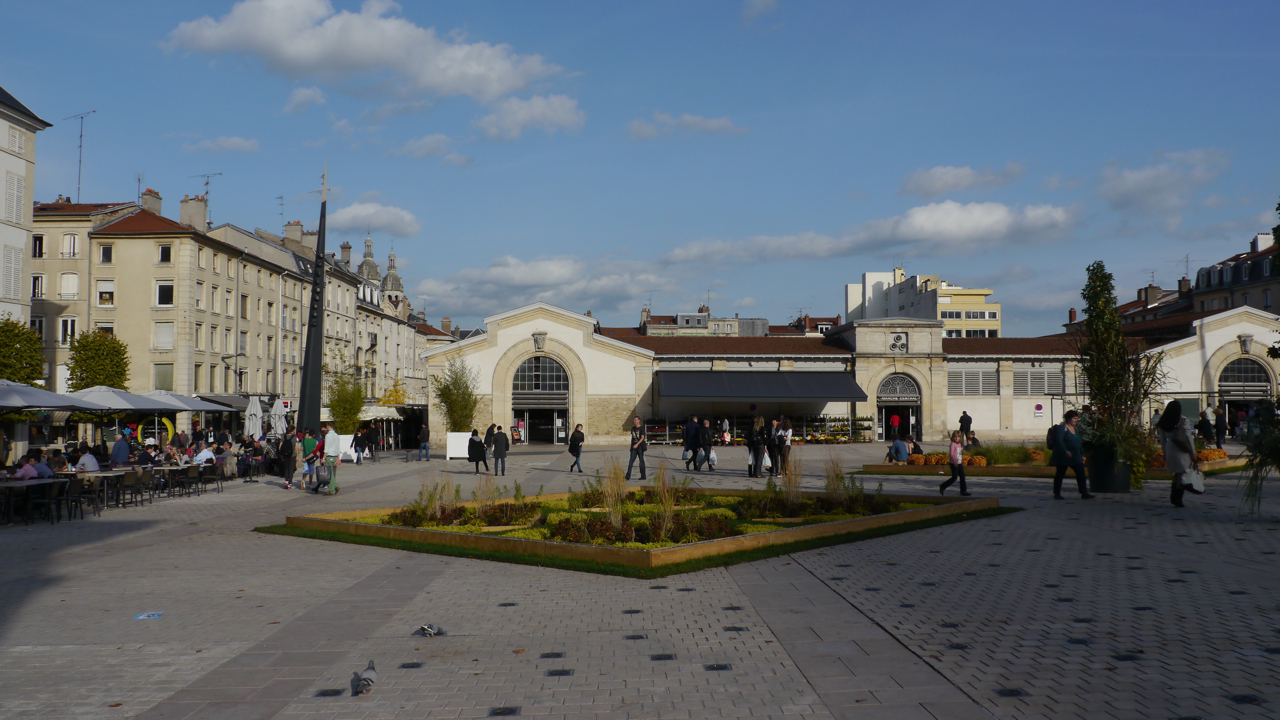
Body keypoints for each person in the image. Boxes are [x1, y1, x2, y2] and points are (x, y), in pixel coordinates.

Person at [1157, 400, 1199, 508]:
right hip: (1181, 449)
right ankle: (1177, 498)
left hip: (1170, 447)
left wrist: (1165, 452)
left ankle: (1174, 495)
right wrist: (1193, 452)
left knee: (1177, 473)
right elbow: (1188, 436)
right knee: (1182, 474)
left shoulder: (1163, 420)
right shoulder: (1183, 420)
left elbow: (1162, 439)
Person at [1051, 410, 1094, 500]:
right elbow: (1059, 441)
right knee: (1060, 474)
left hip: (1075, 456)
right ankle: (1057, 493)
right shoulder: (1062, 428)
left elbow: (1078, 442)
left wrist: (1082, 454)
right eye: (1074, 418)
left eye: (1077, 419)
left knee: (1081, 474)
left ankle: (1084, 493)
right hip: (1063, 457)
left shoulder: (1076, 429)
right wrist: (1065, 451)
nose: (1076, 420)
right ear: (1068, 419)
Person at [939, 431, 969, 496]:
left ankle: (963, 491)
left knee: (962, 476)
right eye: (955, 437)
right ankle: (943, 486)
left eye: (958, 437)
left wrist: (961, 459)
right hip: (954, 463)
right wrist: (955, 461)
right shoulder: (952, 444)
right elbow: (952, 454)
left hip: (959, 462)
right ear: (953, 437)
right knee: (954, 477)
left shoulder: (959, 444)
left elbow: (959, 453)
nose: (956, 438)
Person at [624, 416, 647, 481]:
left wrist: (637, 444)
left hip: (640, 447)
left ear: (639, 421)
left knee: (641, 461)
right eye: (634, 420)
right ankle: (627, 476)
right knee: (631, 461)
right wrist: (631, 447)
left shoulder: (641, 428)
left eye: (635, 420)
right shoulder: (633, 428)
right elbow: (633, 438)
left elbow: (642, 437)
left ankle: (643, 476)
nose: (634, 421)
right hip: (633, 448)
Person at [323, 423, 341, 494]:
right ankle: (334, 487)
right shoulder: (336, 435)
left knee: (329, 474)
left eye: (327, 426)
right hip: (335, 456)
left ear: (329, 426)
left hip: (329, 455)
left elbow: (326, 448)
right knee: (333, 473)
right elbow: (338, 447)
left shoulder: (328, 436)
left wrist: (323, 458)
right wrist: (338, 457)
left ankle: (332, 489)